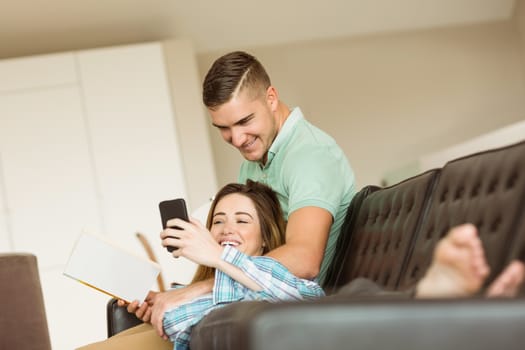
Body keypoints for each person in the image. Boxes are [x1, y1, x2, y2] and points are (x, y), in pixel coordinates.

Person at [78, 181, 325, 350]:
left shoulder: (283, 285)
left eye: (242, 220)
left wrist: (217, 255)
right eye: (218, 221)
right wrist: (156, 305)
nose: (228, 229)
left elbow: (297, 293)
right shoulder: (214, 289)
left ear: (265, 239)